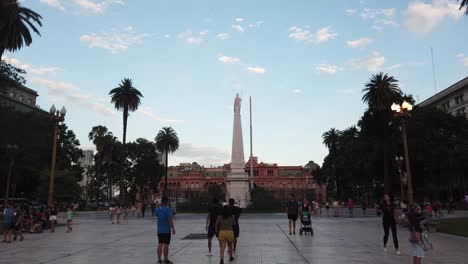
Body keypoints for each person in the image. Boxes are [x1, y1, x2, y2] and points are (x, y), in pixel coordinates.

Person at [155, 196, 175, 264]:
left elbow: (157, 215)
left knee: (160, 243)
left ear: (161, 202)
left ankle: (159, 260)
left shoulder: (157, 209)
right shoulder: (168, 209)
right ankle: (165, 259)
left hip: (159, 230)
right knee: (166, 244)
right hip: (166, 230)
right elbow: (170, 220)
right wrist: (173, 228)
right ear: (166, 202)